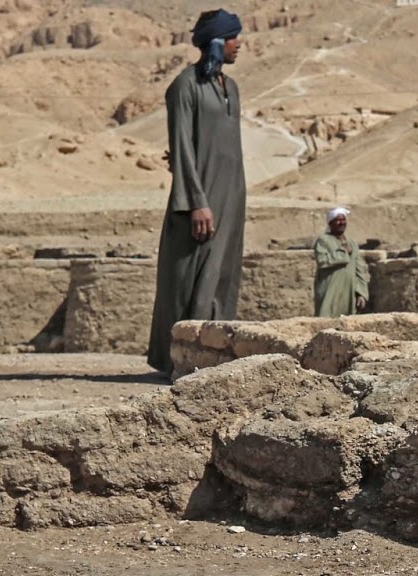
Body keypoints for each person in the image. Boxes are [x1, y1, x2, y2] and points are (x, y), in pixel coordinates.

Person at [146, 9, 247, 377]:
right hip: (198, 199)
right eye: (234, 37)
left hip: (231, 194)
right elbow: (183, 149)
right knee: (189, 277)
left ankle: (214, 360)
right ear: (218, 42)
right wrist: (197, 202)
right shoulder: (185, 86)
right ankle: (183, 361)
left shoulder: (230, 87)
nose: (240, 44)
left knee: (223, 274)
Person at [313, 206, 369, 317]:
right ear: (331, 223)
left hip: (349, 293)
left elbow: (359, 268)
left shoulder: (351, 242)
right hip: (330, 291)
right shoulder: (323, 240)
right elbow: (322, 260)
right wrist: (343, 253)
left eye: (343, 220)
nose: (341, 223)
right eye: (338, 220)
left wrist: (361, 293)